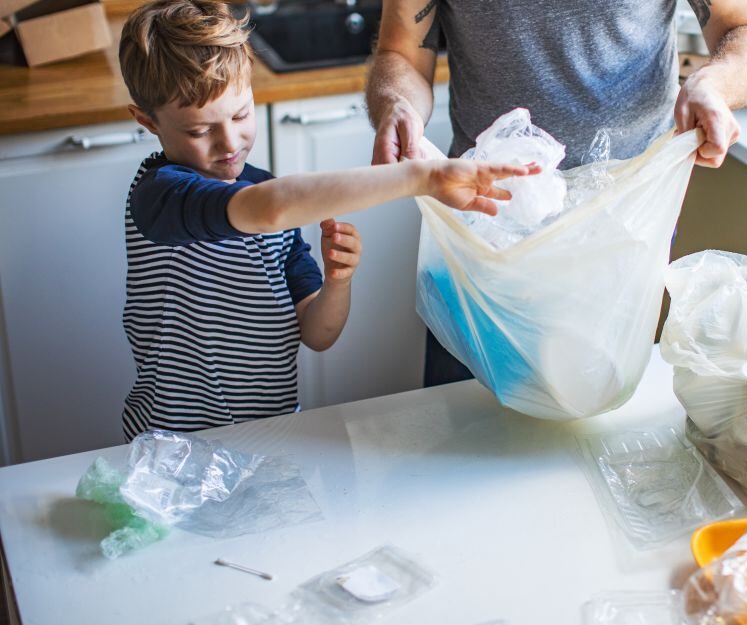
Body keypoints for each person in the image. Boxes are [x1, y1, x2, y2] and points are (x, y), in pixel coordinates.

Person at [117, 0, 538, 440]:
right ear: (147, 121)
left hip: (274, 435)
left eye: (241, 115)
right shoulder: (161, 195)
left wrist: (338, 282)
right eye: (199, 131)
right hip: (171, 442)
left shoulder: (273, 204)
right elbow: (267, 208)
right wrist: (421, 176)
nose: (228, 142)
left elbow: (318, 334)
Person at [366, 0, 747, 386]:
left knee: (599, 424)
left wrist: (714, 84)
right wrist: (396, 105)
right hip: (485, 227)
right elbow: (401, 53)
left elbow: (742, 27)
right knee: (464, 422)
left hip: (624, 226)